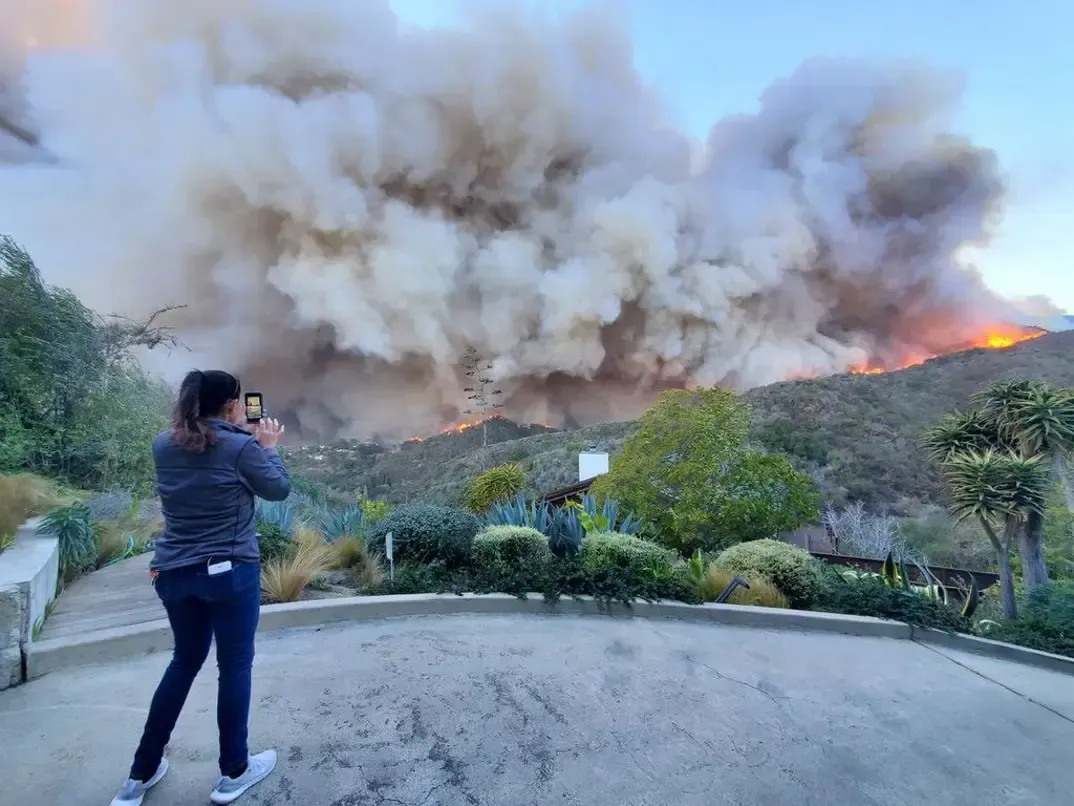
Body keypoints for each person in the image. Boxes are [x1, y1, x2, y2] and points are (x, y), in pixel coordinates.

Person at [110, 370, 291, 806]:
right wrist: (267, 448)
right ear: (231, 404)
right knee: (234, 667)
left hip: (173, 574)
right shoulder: (242, 447)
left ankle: (139, 777)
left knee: (183, 664)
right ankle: (233, 773)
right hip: (229, 574)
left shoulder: (163, 443)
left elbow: (204, 452)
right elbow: (277, 489)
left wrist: (240, 437)